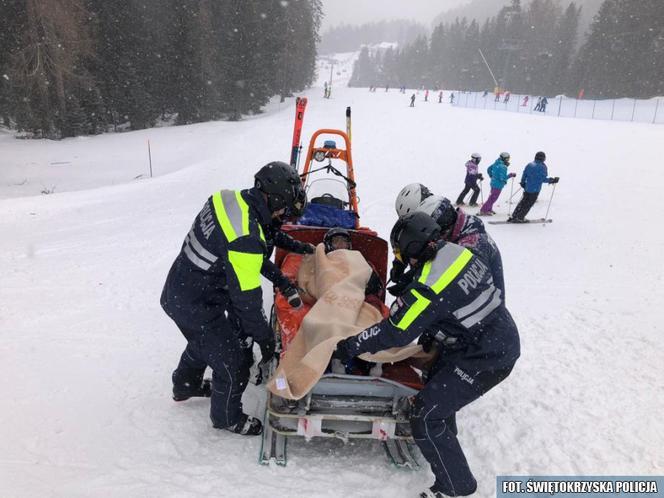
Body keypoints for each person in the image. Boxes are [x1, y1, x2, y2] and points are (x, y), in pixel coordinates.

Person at [334, 212, 520, 498]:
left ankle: (456, 487)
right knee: (436, 387)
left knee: (425, 413)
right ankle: (444, 443)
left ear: (413, 249)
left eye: (403, 254)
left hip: (487, 355)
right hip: (486, 336)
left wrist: (351, 345)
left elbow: (395, 331)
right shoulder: (458, 251)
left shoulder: (429, 289)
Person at [160, 161, 306, 435]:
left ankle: (185, 385)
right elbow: (248, 304)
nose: (283, 215)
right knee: (233, 362)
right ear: (272, 199)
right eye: (283, 209)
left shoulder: (229, 199)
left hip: (185, 286)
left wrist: (284, 275)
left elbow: (250, 250)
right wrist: (266, 341)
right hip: (197, 302)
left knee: (204, 341)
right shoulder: (246, 240)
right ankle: (227, 418)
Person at [508, 151, 560, 223]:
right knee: (528, 204)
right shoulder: (542, 167)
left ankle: (515, 215)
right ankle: (520, 217)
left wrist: (523, 182)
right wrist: (552, 180)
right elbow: (542, 179)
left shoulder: (530, 165)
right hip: (535, 190)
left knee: (522, 202)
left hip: (527, 188)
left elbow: (524, 174)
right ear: (543, 158)